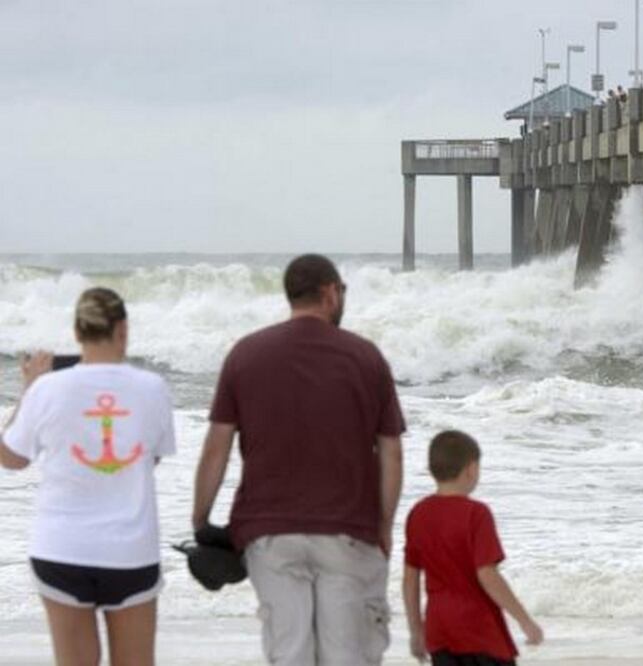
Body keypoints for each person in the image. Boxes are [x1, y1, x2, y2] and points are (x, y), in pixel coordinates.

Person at [192, 254, 405, 665]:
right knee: (348, 655)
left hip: (269, 532)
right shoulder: (365, 357)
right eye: (341, 290)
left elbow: (216, 445)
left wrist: (201, 518)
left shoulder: (246, 354)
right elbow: (391, 452)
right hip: (348, 529)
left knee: (290, 653)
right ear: (329, 292)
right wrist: (384, 525)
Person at [0, 287, 176, 666]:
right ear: (123, 330)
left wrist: (28, 391)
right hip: (130, 551)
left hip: (61, 549)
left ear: (77, 334)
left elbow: (10, 457)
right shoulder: (152, 388)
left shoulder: (47, 389)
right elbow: (152, 458)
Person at [403, 430, 543, 666]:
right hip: (479, 629)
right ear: (471, 469)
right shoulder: (476, 514)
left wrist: (416, 631)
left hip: (439, 629)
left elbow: (410, 578)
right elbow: (487, 574)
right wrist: (524, 620)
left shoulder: (418, 513)